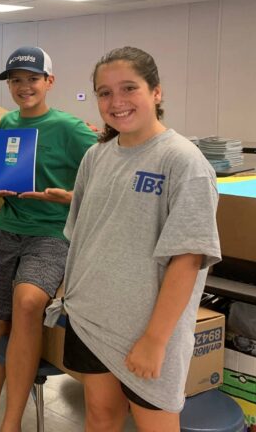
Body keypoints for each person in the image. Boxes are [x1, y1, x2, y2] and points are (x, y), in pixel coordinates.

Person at [58, 46, 221, 431]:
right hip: (91, 318)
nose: (116, 102)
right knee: (100, 416)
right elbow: (82, 234)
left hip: (147, 328)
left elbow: (188, 258)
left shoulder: (183, 161)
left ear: (156, 92)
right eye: (104, 92)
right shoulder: (96, 157)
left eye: (129, 88)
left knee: (156, 424)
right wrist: (68, 297)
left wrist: (155, 339)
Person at [0, 46, 97, 432]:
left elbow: (104, 182)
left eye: (32, 79)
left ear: (49, 82)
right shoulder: (9, 123)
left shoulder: (72, 129)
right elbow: (10, 171)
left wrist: (69, 197)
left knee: (27, 302)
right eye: (16, 80)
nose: (23, 86)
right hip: (9, 230)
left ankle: (11, 424)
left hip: (51, 233)